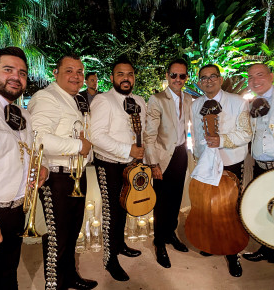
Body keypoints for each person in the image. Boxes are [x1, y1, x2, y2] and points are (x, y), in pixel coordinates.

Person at [0, 47, 48, 290]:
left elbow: (30, 151)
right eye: (8, 69)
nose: (16, 77)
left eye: (22, 73)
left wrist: (42, 168)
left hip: (17, 210)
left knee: (7, 275)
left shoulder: (23, 114)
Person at [27, 54, 98, 290]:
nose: (76, 76)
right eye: (69, 71)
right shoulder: (47, 97)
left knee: (71, 233)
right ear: (55, 72)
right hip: (57, 178)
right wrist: (79, 146)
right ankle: (54, 284)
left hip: (75, 176)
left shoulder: (73, 99)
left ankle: (69, 276)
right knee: (57, 238)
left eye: (79, 71)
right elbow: (38, 138)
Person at [191, 64, 252, 277]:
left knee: (230, 210)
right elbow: (195, 132)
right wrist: (198, 157)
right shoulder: (196, 104)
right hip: (206, 164)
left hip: (231, 162)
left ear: (220, 78)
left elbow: (246, 134)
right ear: (199, 82)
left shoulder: (237, 102)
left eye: (212, 77)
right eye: (204, 78)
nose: (208, 81)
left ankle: (233, 253)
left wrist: (222, 140)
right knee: (208, 206)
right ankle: (211, 243)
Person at [90, 58, 146, 281]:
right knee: (111, 212)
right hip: (110, 164)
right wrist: (128, 150)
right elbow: (96, 136)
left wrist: (141, 157)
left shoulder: (140, 100)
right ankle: (109, 259)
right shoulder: (103, 100)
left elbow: (143, 132)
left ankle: (120, 244)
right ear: (112, 78)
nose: (126, 78)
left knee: (125, 206)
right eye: (121, 74)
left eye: (130, 74)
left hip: (131, 165)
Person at [144, 59, 192, 268]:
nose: (178, 79)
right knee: (161, 201)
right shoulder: (157, 99)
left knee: (176, 198)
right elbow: (149, 135)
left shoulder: (190, 99)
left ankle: (171, 233)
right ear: (167, 75)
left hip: (181, 153)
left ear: (186, 78)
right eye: (174, 75)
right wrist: (153, 164)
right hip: (163, 156)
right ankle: (159, 242)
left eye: (182, 76)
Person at [242, 63, 274, 264]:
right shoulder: (253, 102)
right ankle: (268, 251)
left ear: (271, 76)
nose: (255, 80)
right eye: (250, 77)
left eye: (259, 75)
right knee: (265, 210)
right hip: (260, 166)